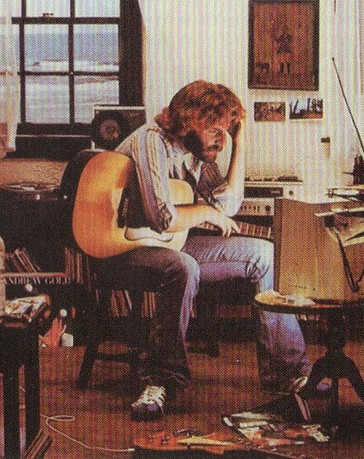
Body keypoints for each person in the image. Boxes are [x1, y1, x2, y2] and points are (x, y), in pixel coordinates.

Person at [96, 80, 313, 421]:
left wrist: (239, 143)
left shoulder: (198, 153)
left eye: (225, 131)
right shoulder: (151, 141)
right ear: (187, 123)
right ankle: (160, 380)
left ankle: (287, 376)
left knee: (263, 254)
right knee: (182, 266)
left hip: (168, 244)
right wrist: (207, 213)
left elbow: (227, 206)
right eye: (214, 131)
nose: (220, 140)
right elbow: (163, 217)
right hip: (122, 247)